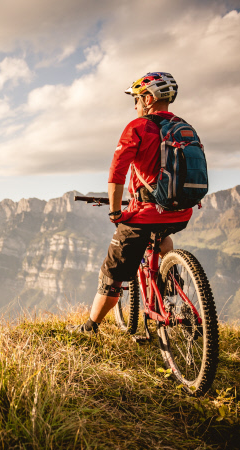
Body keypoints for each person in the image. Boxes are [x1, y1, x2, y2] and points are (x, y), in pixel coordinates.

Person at [67, 72, 192, 334]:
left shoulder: (138, 127)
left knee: (111, 273)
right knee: (161, 236)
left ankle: (90, 327)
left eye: (136, 100)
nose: (135, 106)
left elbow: (117, 174)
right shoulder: (184, 127)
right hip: (180, 212)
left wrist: (115, 212)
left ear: (148, 99)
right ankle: (170, 278)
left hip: (145, 214)